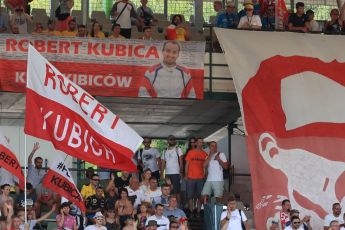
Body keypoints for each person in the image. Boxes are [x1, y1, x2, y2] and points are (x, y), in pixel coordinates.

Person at [184, 137, 207, 217]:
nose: (201, 143)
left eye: (202, 142)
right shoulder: (190, 152)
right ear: (196, 143)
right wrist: (186, 175)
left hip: (200, 178)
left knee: (200, 196)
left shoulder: (204, 154)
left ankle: (198, 211)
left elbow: (206, 167)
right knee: (190, 196)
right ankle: (191, 211)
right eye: (199, 142)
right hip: (190, 177)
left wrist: (206, 176)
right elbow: (186, 165)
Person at [161, 135, 183, 200]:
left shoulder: (178, 149)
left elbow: (181, 161)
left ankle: (178, 208)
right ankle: (171, 206)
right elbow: (163, 163)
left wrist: (181, 172)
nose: (172, 140)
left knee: (177, 192)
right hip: (167, 174)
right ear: (168, 140)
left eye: (173, 139)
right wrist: (161, 174)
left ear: (175, 140)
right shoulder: (164, 151)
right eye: (170, 139)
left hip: (176, 173)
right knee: (169, 191)